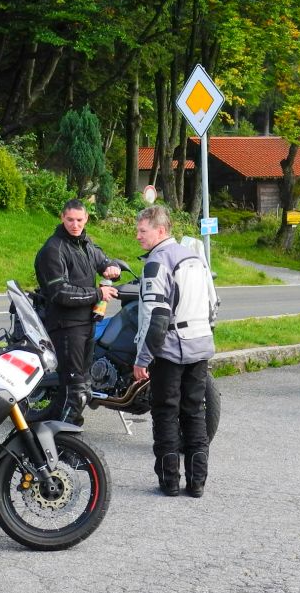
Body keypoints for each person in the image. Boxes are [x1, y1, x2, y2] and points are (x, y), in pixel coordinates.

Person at [132, 205, 216, 497]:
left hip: (170, 349)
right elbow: (212, 304)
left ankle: (169, 482)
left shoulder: (157, 262)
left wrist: (142, 358)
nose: (138, 236)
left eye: (142, 230)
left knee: (166, 413)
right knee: (194, 412)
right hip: (200, 344)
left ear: (160, 230)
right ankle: (197, 483)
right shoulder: (195, 258)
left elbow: (156, 317)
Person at [34, 199, 120, 425]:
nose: (75, 225)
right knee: (75, 387)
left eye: (79, 220)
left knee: (82, 384)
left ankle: (57, 430)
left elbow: (103, 261)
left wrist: (112, 268)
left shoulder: (85, 243)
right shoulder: (53, 249)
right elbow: (60, 292)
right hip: (66, 326)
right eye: (70, 220)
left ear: (86, 219)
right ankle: (67, 435)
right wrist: (98, 293)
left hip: (87, 323)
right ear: (62, 217)